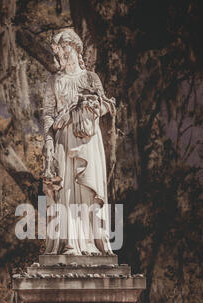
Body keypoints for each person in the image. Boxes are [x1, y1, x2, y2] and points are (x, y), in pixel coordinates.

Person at [42, 29, 115, 256]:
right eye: (57, 53)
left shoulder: (90, 78)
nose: (60, 57)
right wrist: (48, 141)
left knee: (86, 188)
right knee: (66, 190)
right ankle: (70, 242)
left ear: (74, 48)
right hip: (64, 138)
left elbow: (106, 107)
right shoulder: (54, 81)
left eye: (63, 50)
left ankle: (90, 243)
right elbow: (47, 114)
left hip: (88, 140)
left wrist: (91, 106)